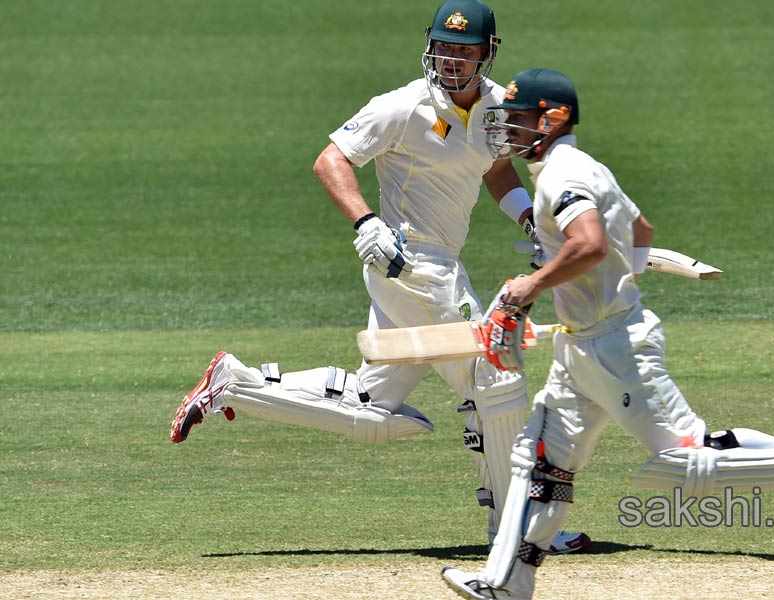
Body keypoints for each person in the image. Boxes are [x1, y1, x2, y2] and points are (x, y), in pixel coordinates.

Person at [168, 1, 588, 555]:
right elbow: (331, 159)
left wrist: (528, 216)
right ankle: (519, 531)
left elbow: (495, 166)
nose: (452, 59)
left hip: (432, 266)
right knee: (495, 380)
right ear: (429, 46)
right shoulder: (403, 106)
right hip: (411, 263)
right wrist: (366, 223)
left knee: (372, 405)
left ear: (488, 53)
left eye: (464, 50)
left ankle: (236, 383)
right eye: (444, 46)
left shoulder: (493, 108)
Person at [441, 68, 774, 600]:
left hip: (618, 348)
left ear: (553, 119)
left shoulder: (560, 176)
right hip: (580, 345)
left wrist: (529, 285)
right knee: (539, 461)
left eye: (520, 120)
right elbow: (639, 232)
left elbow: (592, 243)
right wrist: (617, 275)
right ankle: (507, 584)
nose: (509, 131)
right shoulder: (579, 166)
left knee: (681, 461)